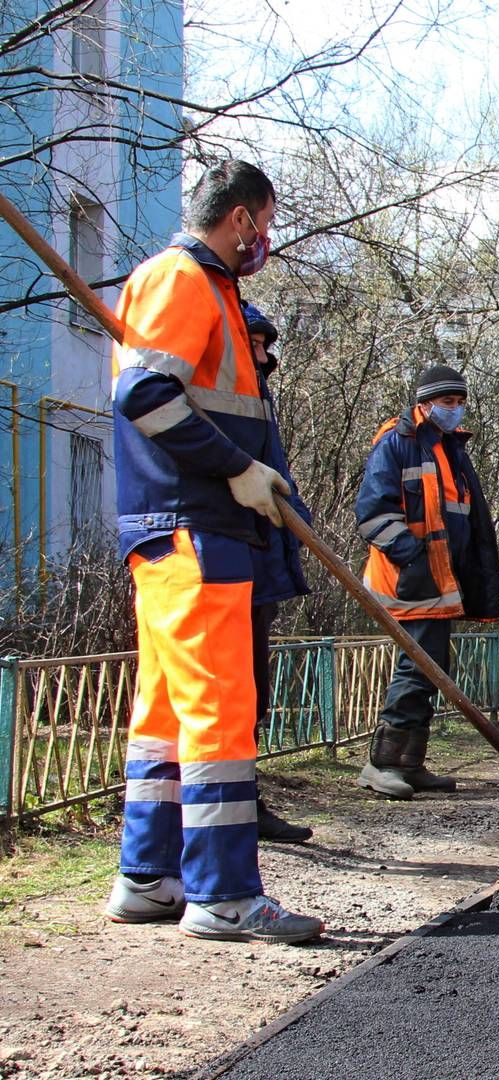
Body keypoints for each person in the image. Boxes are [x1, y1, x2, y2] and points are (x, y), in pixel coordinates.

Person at [101, 161, 325, 944]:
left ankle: (147, 878)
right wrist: (238, 469)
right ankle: (225, 894)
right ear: (237, 219)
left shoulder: (214, 294)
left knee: (164, 715)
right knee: (219, 714)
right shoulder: (181, 279)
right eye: (262, 224)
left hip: (184, 532)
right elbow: (143, 396)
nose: (264, 240)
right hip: (195, 530)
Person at [356, 365, 499, 800]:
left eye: (459, 403)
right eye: (447, 402)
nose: (454, 410)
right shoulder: (398, 445)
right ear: (423, 404)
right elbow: (374, 512)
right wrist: (412, 558)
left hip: (440, 581)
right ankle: (382, 763)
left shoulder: (449, 450)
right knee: (415, 670)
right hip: (408, 581)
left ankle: (409, 762)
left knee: (431, 671)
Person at [240, 303, 313, 844]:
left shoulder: (257, 402)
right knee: (230, 695)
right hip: (225, 558)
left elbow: (276, 476)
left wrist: (296, 523)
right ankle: (231, 806)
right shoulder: (224, 403)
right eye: (254, 343)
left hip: (258, 558)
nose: (265, 356)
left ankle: (246, 798)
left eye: (267, 345)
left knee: (254, 690)